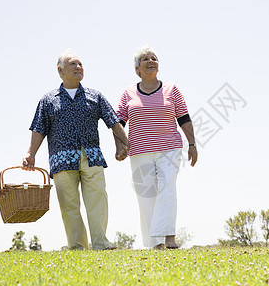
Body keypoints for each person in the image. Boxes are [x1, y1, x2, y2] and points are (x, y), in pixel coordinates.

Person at [23, 49, 130, 250]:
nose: (78, 67)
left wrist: (127, 143)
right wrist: (31, 154)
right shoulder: (48, 100)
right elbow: (39, 128)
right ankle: (77, 246)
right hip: (61, 159)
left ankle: (101, 243)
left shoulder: (95, 96)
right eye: (73, 64)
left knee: (97, 201)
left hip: (92, 155)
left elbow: (114, 122)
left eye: (80, 64)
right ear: (60, 70)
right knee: (69, 205)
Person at [115, 45, 197, 249]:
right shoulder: (128, 93)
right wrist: (120, 146)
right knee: (146, 195)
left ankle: (169, 236)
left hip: (169, 148)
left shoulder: (171, 89)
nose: (151, 61)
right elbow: (118, 122)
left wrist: (192, 144)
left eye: (154, 58)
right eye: (145, 59)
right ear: (137, 69)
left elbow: (184, 118)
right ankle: (155, 243)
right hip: (139, 151)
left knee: (167, 187)